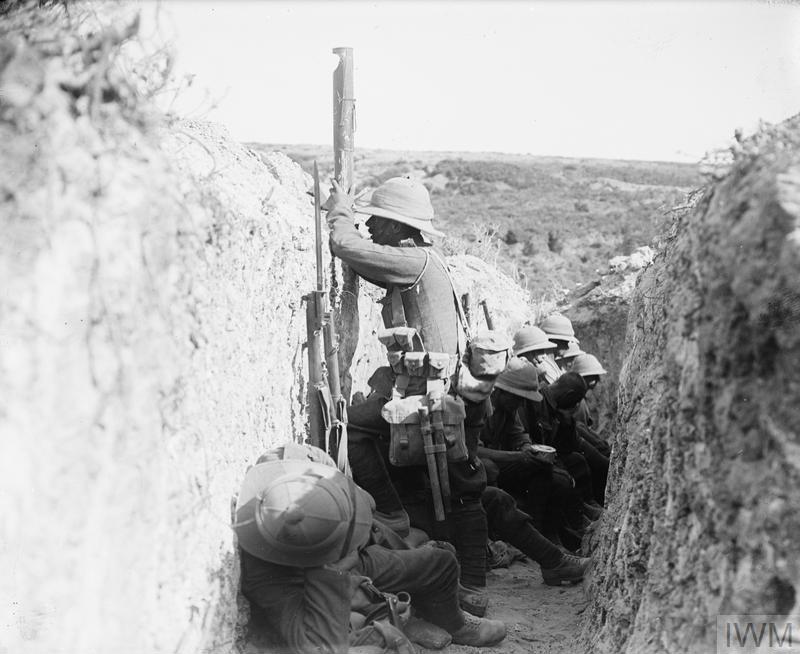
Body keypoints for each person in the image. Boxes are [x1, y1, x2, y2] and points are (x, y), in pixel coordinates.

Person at [326, 176, 491, 603]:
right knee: (460, 483)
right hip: (443, 390)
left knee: (356, 430)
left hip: (432, 395)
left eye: (378, 222)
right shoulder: (425, 260)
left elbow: (346, 245)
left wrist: (340, 208)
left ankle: (395, 519)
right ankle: (469, 580)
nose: (372, 229)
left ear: (399, 228)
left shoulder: (412, 260)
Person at [234, 443, 507, 653]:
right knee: (359, 614)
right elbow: (318, 644)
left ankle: (443, 616)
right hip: (331, 573)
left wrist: (345, 531)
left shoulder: (292, 471)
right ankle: (428, 622)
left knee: (441, 561)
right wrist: (336, 572)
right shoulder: (265, 575)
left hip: (345, 554)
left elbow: (367, 502)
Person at [476, 357, 588, 548]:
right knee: (491, 468)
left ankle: (540, 530)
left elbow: (519, 435)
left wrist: (527, 448)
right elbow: (474, 450)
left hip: (502, 462)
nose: (519, 403)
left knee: (549, 472)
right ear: (502, 392)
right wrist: (517, 456)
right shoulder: (480, 406)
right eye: (517, 397)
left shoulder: (509, 409)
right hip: (479, 467)